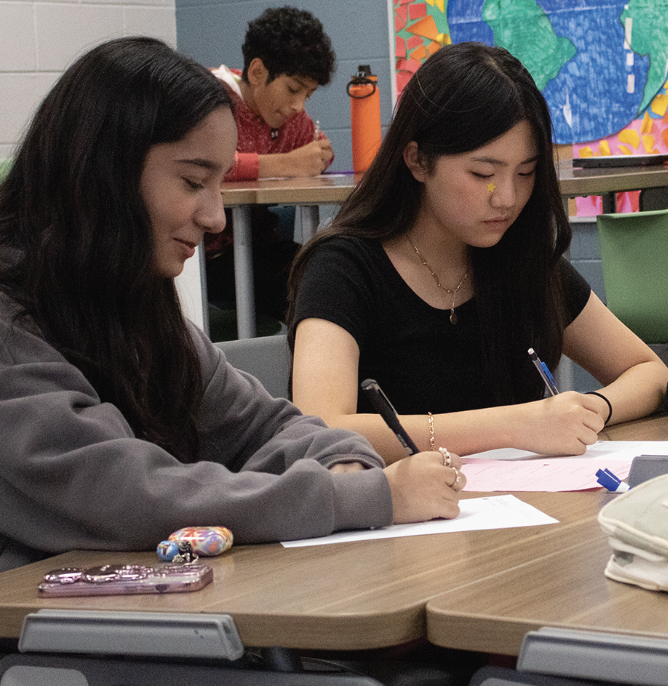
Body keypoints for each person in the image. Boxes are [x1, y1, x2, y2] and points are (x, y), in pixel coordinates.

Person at [0, 37, 465, 573]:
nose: (216, 217)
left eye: (219, 184)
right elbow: (124, 495)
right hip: (47, 639)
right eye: (194, 181)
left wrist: (345, 462)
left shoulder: (132, 303)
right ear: (104, 172)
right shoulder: (14, 321)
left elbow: (260, 425)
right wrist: (360, 497)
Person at [287, 42, 668, 465]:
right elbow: (320, 425)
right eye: (482, 173)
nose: (506, 198)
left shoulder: (520, 258)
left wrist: (593, 409)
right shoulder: (344, 267)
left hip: (520, 518)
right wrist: (515, 425)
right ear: (416, 160)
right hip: (399, 519)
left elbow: (648, 372)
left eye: (526, 173)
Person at [205, 6, 335, 325]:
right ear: (258, 72)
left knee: (332, 270)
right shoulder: (206, 95)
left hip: (258, 247)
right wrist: (286, 163)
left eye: (309, 94)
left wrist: (318, 157)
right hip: (202, 258)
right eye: (293, 89)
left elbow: (320, 152)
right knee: (308, 287)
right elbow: (204, 166)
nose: (299, 106)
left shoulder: (288, 116)